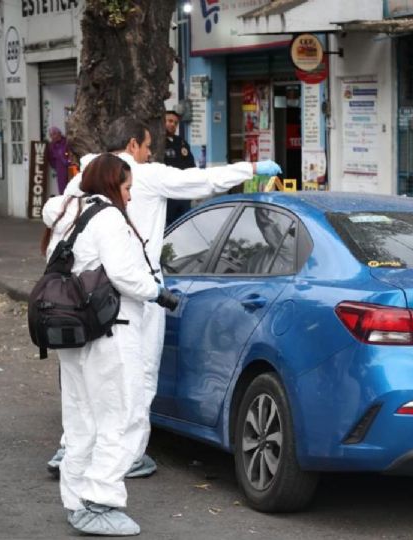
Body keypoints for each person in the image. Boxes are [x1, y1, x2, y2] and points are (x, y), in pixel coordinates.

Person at [46, 117, 281, 486]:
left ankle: (73, 450)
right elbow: (202, 180)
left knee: (83, 382)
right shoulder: (144, 175)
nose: (151, 152)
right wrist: (251, 168)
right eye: (148, 145)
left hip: (82, 295)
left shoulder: (83, 176)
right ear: (133, 145)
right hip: (133, 295)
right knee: (136, 380)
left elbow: (57, 231)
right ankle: (127, 458)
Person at [41, 153, 161, 536]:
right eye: (126, 188)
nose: (129, 197)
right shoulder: (108, 217)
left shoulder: (68, 212)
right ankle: (101, 501)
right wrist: (157, 291)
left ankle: (76, 500)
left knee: (80, 422)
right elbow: (124, 275)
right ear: (112, 183)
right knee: (119, 418)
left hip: (72, 332)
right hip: (111, 329)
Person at [161, 111, 196, 227]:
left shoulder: (181, 143)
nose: (172, 125)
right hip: (168, 193)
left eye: (175, 123)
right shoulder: (158, 143)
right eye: (170, 121)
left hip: (184, 192)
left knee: (184, 224)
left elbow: (191, 166)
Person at [47, 126, 71, 196]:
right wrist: (57, 166)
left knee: (73, 185)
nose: (52, 136)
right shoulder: (51, 146)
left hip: (71, 167)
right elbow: (51, 159)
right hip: (60, 168)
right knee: (62, 188)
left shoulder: (66, 141)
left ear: (59, 133)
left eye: (54, 134)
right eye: (51, 135)